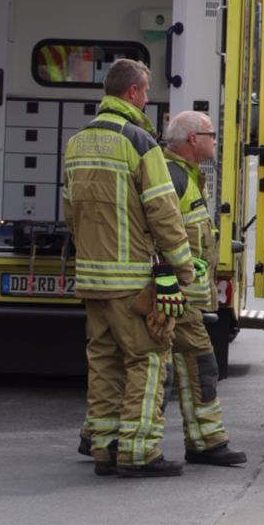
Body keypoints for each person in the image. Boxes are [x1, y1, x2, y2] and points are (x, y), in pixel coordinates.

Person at [66, 59, 192, 477]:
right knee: (148, 359)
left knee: (103, 362)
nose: (148, 97)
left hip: (91, 279)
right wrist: (183, 268)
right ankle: (139, 452)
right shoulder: (139, 142)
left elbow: (70, 212)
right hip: (130, 280)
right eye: (147, 90)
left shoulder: (77, 142)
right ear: (133, 92)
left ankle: (104, 448)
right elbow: (163, 212)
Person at [160, 111, 246, 467]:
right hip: (175, 297)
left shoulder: (186, 175)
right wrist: (172, 285)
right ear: (193, 139)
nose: (215, 140)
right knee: (199, 364)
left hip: (180, 297)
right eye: (211, 135)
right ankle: (207, 442)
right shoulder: (173, 177)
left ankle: (104, 439)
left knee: (153, 367)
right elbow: (162, 237)